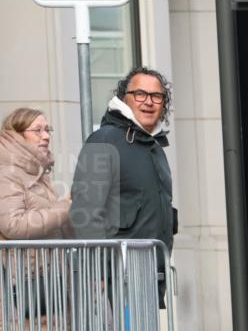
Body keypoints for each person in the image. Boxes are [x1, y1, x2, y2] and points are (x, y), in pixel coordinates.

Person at [69, 67, 176, 305]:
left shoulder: (155, 147)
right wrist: (99, 270)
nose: (148, 102)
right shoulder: (104, 139)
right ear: (124, 97)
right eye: (140, 94)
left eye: (156, 96)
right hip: (112, 280)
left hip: (146, 274)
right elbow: (84, 212)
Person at [0, 108, 73, 331]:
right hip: (19, 284)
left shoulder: (36, 175)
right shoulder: (6, 175)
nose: (46, 136)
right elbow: (13, 224)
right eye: (38, 130)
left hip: (38, 282)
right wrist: (65, 208)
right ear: (17, 135)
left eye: (48, 130)